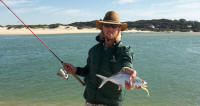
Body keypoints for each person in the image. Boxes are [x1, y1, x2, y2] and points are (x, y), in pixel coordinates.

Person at [62, 11, 137, 106]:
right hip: (89, 101)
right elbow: (88, 71)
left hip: (110, 103)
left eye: (114, 26)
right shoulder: (94, 50)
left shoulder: (124, 50)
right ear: (102, 27)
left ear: (119, 29)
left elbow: (126, 60)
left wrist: (127, 68)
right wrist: (75, 70)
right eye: (107, 25)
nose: (110, 28)